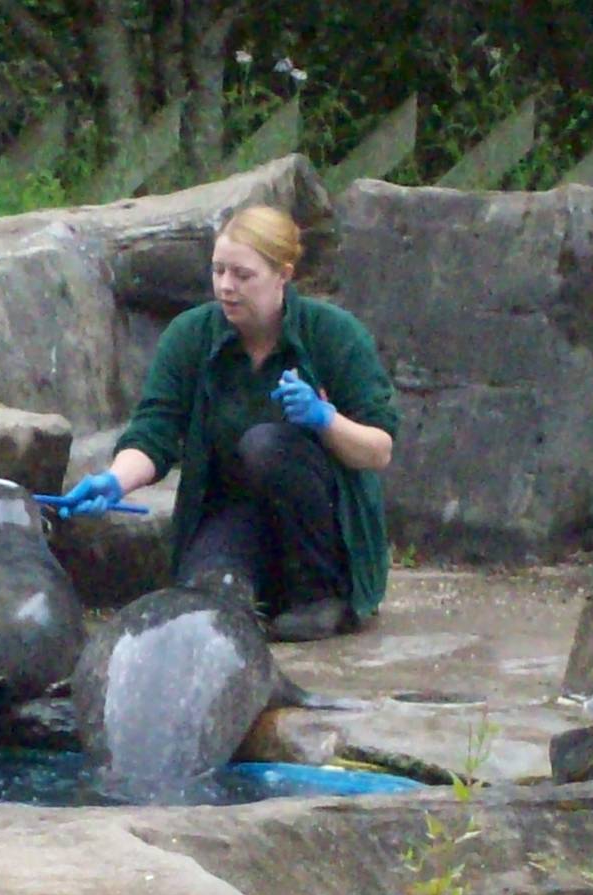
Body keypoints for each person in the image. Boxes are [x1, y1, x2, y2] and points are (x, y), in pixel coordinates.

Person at [60, 204, 399, 642]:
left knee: (266, 445)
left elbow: (379, 449)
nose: (225, 287)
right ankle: (251, 587)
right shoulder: (191, 336)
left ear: (283, 275)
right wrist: (114, 481)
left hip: (320, 520)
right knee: (201, 601)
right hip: (234, 509)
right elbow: (156, 430)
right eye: (218, 271)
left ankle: (321, 595)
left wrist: (325, 421)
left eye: (243, 275)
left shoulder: (334, 335)